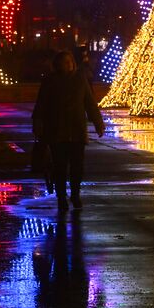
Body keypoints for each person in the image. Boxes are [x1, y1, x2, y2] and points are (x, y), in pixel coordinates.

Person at [33, 51, 106, 211]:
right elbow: (41, 105)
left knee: (77, 167)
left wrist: (98, 122)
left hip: (77, 131)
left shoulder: (80, 79)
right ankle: (61, 197)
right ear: (58, 64)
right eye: (64, 62)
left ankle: (75, 194)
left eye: (70, 62)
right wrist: (38, 125)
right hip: (56, 131)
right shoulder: (50, 81)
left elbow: (90, 103)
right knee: (60, 167)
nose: (68, 64)